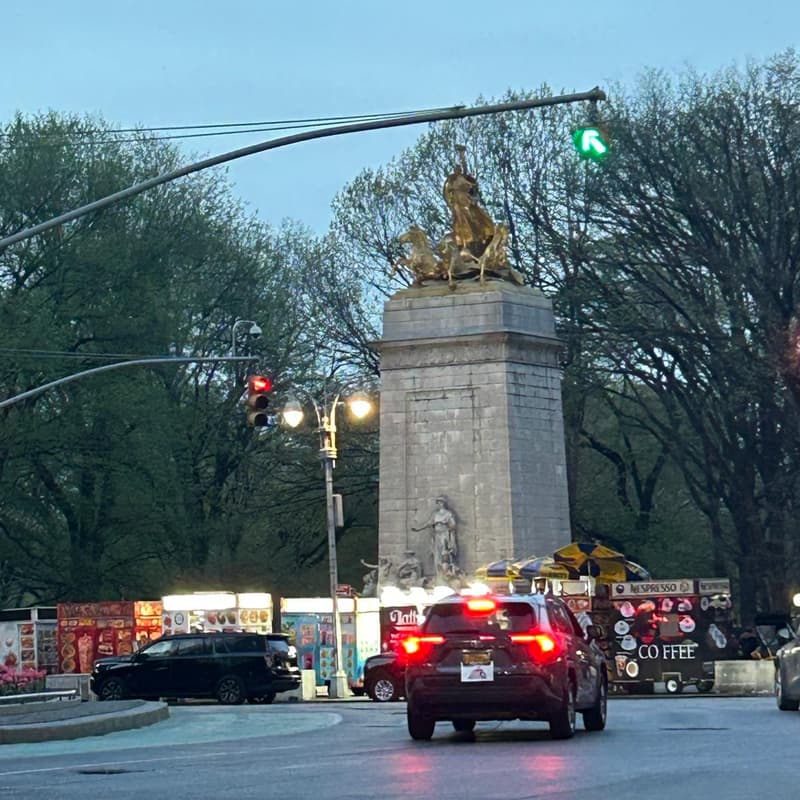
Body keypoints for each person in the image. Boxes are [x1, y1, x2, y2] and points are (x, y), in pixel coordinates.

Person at [412, 496, 458, 580]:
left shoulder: (448, 513)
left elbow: (453, 525)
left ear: (444, 503)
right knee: (437, 555)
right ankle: (438, 575)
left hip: (445, 534)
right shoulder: (435, 514)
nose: (440, 504)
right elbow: (428, 523)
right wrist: (418, 529)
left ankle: (447, 574)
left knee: (445, 554)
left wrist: (444, 524)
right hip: (437, 535)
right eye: (438, 502)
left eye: (441, 502)